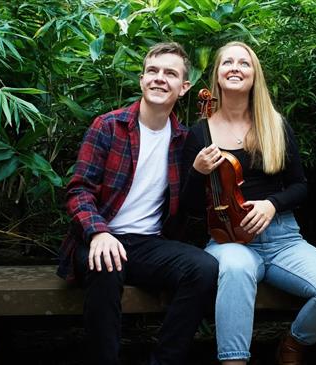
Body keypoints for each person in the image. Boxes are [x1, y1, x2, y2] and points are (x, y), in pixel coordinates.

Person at [181, 41, 316, 365]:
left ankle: (293, 343)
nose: (235, 68)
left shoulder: (274, 125)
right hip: (228, 239)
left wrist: (271, 205)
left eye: (244, 63)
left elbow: (300, 186)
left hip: (282, 238)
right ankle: (234, 362)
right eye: (228, 63)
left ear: (254, 75)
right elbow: (190, 206)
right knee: (236, 268)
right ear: (217, 75)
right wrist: (196, 173)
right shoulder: (200, 133)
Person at [57, 42, 219, 365]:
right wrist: (99, 232)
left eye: (170, 73)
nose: (160, 78)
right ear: (142, 80)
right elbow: (78, 191)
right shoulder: (108, 126)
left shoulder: (184, 140)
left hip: (147, 245)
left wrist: (199, 173)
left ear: (184, 87)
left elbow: (191, 203)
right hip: (99, 238)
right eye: (153, 71)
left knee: (205, 267)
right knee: (106, 262)